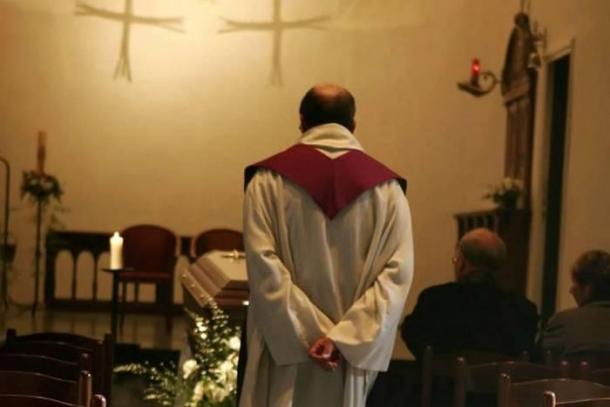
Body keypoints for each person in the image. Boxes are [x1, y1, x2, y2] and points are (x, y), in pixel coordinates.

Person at [239, 84, 414, 407]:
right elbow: (396, 275)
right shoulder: (388, 191)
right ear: (354, 124)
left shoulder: (267, 182)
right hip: (348, 360)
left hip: (285, 354)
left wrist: (308, 333)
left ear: (302, 122)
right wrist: (342, 338)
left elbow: (263, 265)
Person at [401, 228, 538, 360]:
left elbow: (415, 338)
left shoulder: (435, 299)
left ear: (462, 263)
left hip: (442, 383)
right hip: (497, 384)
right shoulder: (523, 309)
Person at [542, 250, 610, 358]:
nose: (571, 290)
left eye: (575, 283)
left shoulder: (561, 323)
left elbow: (542, 363)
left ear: (588, 288)